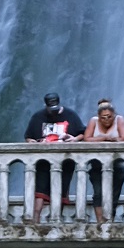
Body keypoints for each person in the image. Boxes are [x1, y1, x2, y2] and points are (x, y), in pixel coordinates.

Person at [25, 91, 84, 219]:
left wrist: (73, 139)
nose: (54, 112)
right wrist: (36, 143)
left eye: (56, 109)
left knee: (61, 191)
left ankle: (56, 219)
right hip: (43, 162)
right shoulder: (38, 117)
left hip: (65, 162)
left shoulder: (71, 115)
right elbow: (28, 137)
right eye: (51, 109)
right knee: (40, 192)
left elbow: (82, 133)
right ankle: (35, 221)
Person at [83, 98, 124, 221]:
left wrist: (99, 138)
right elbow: (87, 139)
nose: (106, 119)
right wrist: (105, 138)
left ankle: (110, 220)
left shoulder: (119, 120)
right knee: (98, 193)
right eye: (103, 117)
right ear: (98, 116)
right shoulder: (93, 121)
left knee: (114, 194)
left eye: (109, 116)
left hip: (116, 163)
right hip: (97, 164)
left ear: (113, 114)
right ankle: (100, 221)